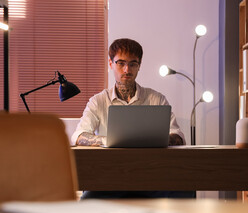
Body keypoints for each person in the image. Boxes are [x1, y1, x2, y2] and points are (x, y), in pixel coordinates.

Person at [72, 38, 195, 199]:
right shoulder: (99, 101)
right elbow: (79, 136)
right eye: (120, 63)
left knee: (185, 193)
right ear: (111, 64)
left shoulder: (156, 99)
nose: (126, 70)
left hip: (150, 177)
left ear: (139, 66)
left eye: (133, 64)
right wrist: (108, 140)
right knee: (88, 200)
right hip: (109, 179)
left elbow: (178, 137)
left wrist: (152, 140)